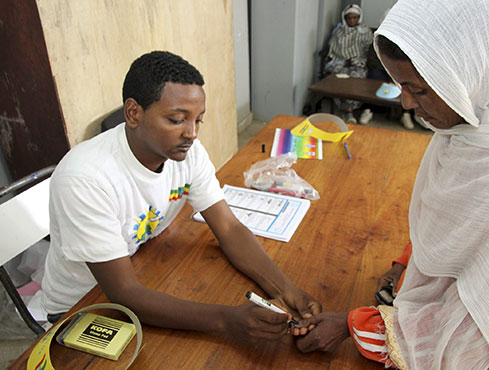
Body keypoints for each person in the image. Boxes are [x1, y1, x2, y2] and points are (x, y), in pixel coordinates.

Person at [294, 0, 489, 370]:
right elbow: (460, 226)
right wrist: (406, 262)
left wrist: (352, 324)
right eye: (401, 86)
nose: (406, 103)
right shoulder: (475, 126)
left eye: (417, 89)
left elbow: (465, 340)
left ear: (469, 72)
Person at [39, 51, 321, 342]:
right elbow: (123, 293)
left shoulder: (187, 153)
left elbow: (229, 228)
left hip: (142, 266)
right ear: (133, 113)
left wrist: (285, 289)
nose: (192, 133)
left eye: (199, 120)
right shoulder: (85, 179)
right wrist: (227, 320)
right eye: (176, 120)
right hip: (82, 308)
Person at [323, 4, 373, 124]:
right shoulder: (339, 31)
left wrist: (355, 59)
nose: (352, 20)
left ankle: (349, 110)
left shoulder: (365, 31)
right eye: (349, 18)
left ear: (359, 18)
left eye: (355, 18)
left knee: (356, 79)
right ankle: (347, 111)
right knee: (339, 79)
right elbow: (334, 48)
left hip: (358, 63)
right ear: (344, 19)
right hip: (340, 62)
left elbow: (368, 50)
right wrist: (344, 59)